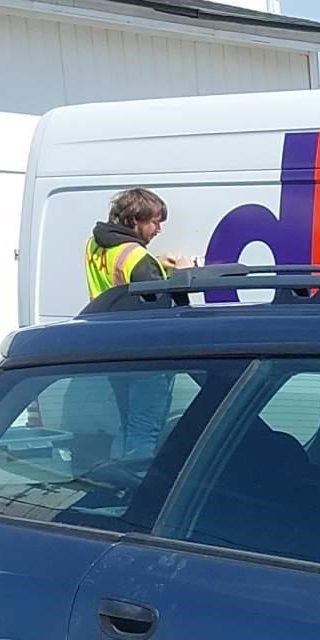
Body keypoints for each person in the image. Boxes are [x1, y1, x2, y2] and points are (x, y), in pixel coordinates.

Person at [85, 189, 195, 458]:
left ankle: (120, 483)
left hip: (109, 346)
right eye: (155, 222)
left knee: (127, 424)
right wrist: (183, 276)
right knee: (144, 431)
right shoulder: (137, 258)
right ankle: (136, 485)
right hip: (145, 353)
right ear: (135, 220)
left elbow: (122, 282)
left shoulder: (95, 244)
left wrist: (157, 264)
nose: (158, 229)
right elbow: (161, 309)